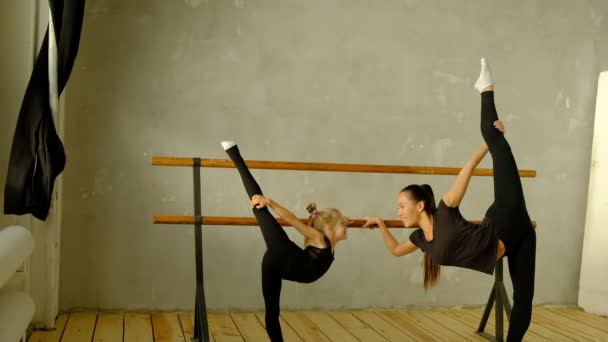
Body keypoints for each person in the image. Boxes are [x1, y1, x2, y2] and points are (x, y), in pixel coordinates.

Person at [363, 58, 536, 341]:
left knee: (495, 140)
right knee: (524, 301)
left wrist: (492, 142)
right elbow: (395, 250)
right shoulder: (421, 239)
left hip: (507, 217)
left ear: (420, 205)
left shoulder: (445, 209)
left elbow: (468, 165)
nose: (399, 211)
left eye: (402, 206)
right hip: (522, 238)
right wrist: (381, 223)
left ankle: (486, 89)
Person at [222, 141, 349, 342]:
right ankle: (233, 152)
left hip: (277, 265)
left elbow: (341, 223)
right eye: (344, 224)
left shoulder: (331, 240)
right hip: (283, 253)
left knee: (272, 312)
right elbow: (292, 220)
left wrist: (376, 221)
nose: (348, 226)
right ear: (331, 229)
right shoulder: (320, 239)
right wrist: (270, 202)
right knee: (259, 205)